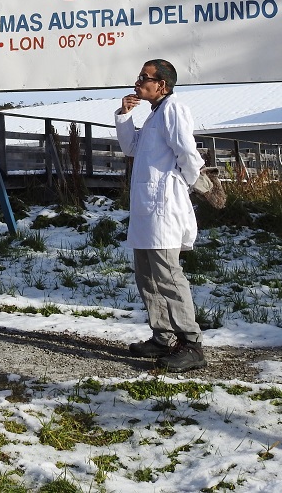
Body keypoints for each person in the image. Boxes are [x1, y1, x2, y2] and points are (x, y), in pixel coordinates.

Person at [115, 59, 207, 373]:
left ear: (162, 85)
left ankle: (190, 343)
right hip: (146, 209)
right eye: (139, 76)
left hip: (164, 208)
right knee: (146, 276)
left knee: (168, 277)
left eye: (144, 77)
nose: (137, 82)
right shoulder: (154, 114)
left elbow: (187, 152)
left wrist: (196, 183)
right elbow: (131, 148)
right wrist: (125, 116)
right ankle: (163, 336)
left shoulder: (173, 110)